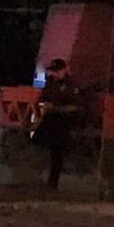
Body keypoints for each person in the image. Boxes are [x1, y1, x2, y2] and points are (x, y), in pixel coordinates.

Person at [36, 58, 81, 190]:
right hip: (50, 119)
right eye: (53, 71)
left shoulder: (70, 85)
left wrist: (56, 108)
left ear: (64, 70)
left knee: (57, 151)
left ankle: (53, 180)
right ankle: (42, 176)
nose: (55, 74)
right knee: (44, 146)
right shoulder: (50, 83)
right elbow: (43, 98)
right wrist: (45, 105)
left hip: (63, 120)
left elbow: (75, 106)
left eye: (57, 71)